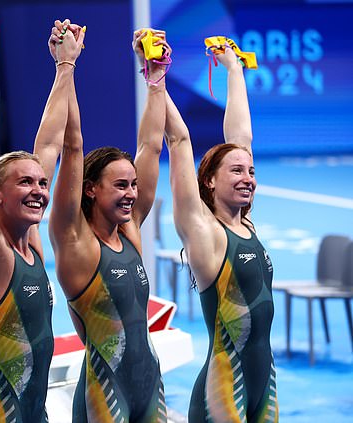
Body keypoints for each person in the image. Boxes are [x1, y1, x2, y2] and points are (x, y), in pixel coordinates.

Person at [0, 19, 84, 422]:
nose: (39, 191)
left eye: (41, 183)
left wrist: (65, 66)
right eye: (24, 183)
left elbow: (49, 143)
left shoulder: (32, 244)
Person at [49, 28, 170, 422]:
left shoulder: (130, 230)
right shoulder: (75, 242)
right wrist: (66, 66)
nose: (132, 193)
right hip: (104, 393)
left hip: (150, 385)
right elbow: (72, 146)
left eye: (134, 184)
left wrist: (154, 77)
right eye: (120, 185)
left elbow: (152, 146)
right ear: (90, 190)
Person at [163, 41, 278, 422]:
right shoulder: (204, 233)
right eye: (236, 172)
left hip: (266, 385)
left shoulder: (246, 224)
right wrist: (156, 79)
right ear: (210, 181)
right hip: (222, 392)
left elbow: (241, 139)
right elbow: (179, 142)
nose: (248, 179)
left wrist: (233, 69)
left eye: (251, 172)